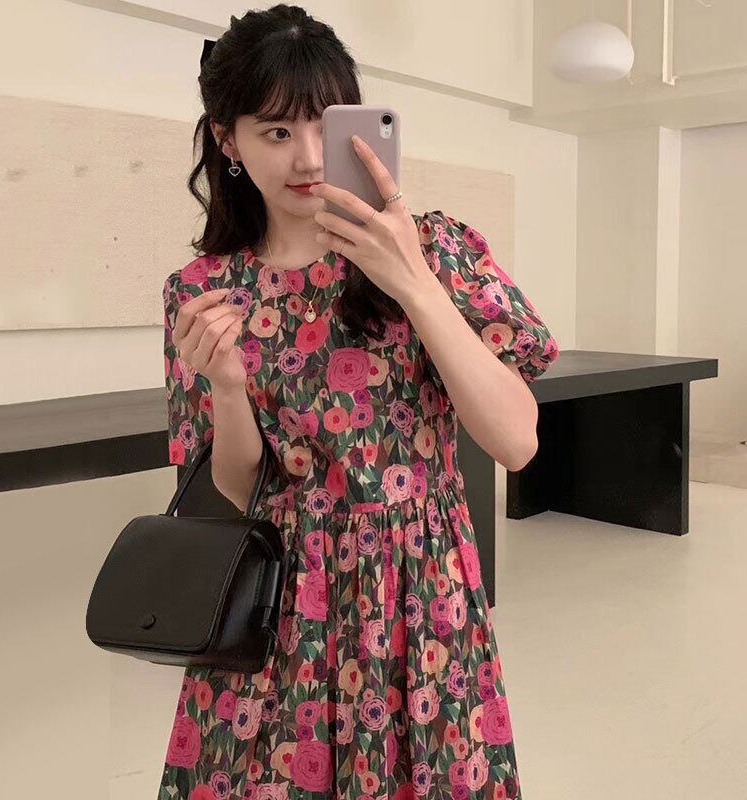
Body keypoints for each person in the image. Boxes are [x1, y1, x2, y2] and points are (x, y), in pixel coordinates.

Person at [160, 5, 560, 800]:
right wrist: (227, 386)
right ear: (229, 141)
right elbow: (234, 490)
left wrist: (413, 282)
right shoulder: (203, 290)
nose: (309, 157)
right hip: (282, 605)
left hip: (420, 594)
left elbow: (517, 440)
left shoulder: (435, 246)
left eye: (324, 123)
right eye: (277, 131)